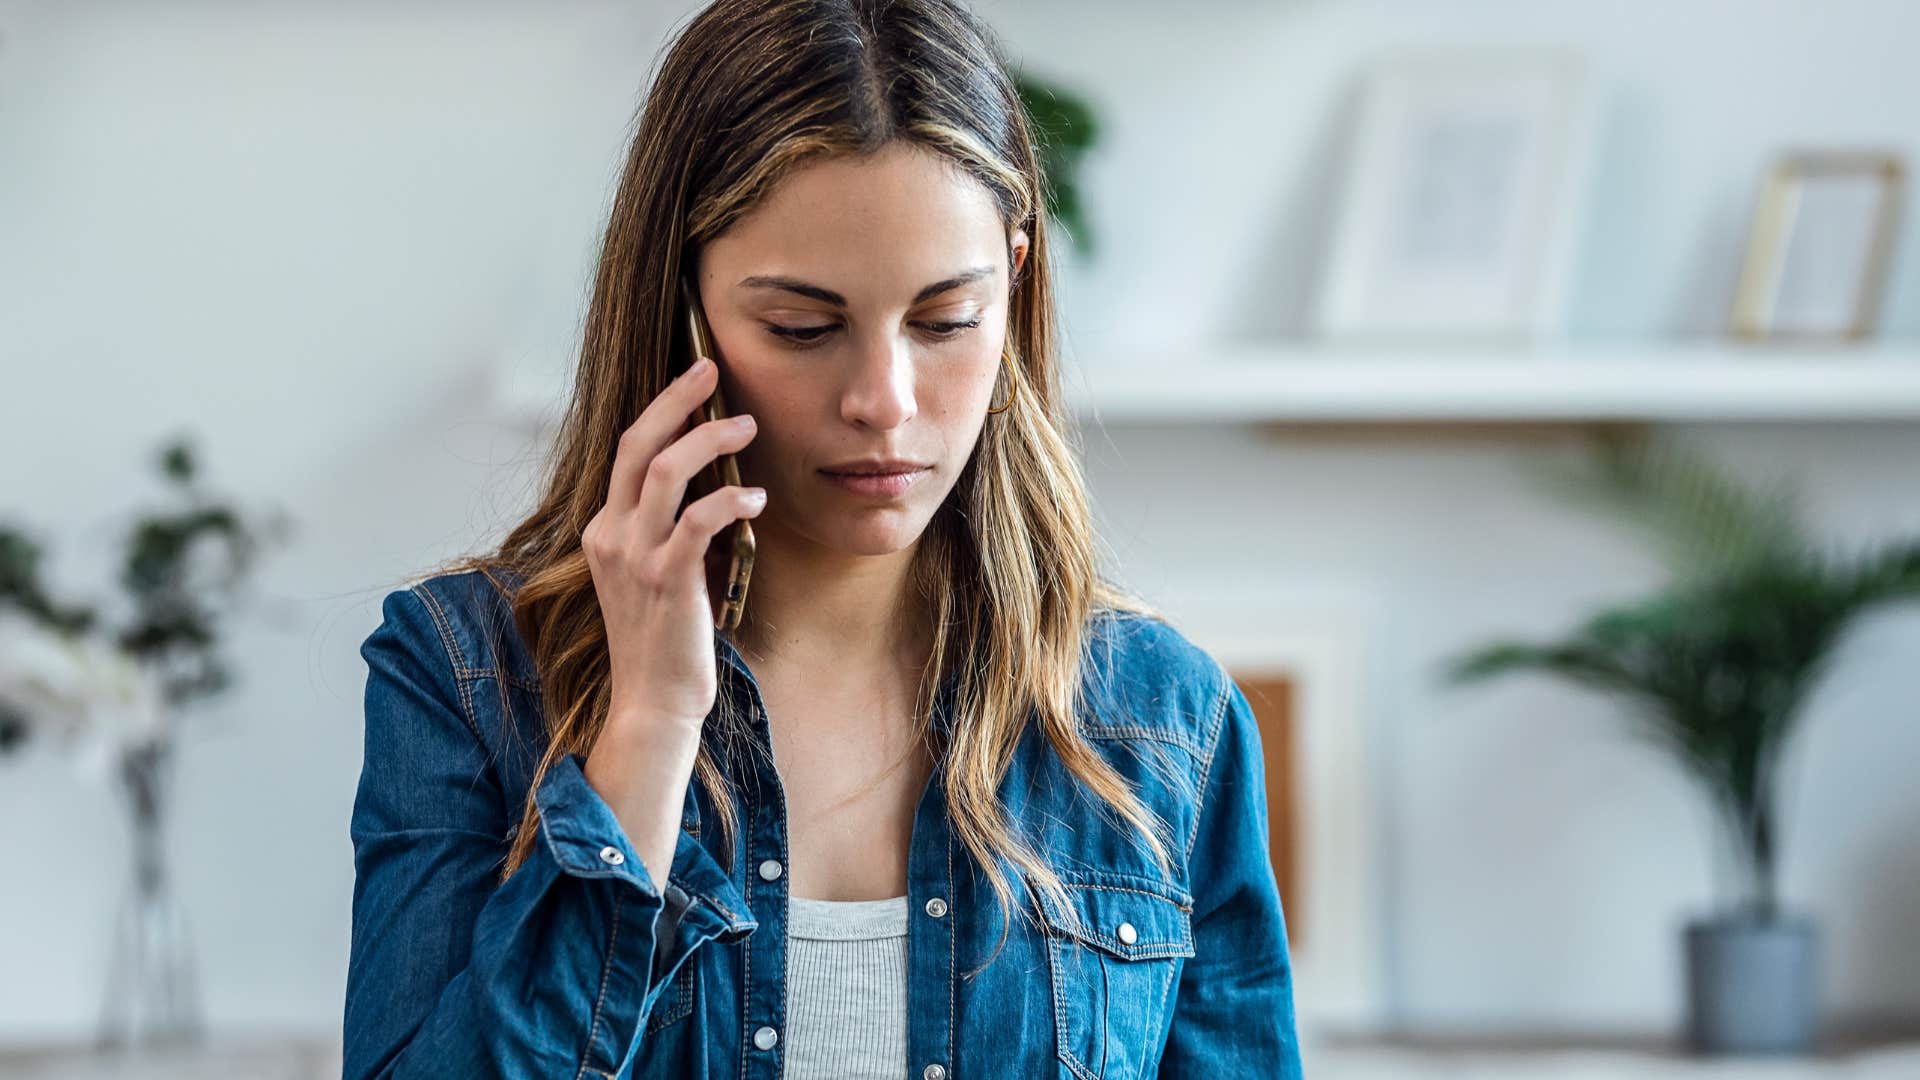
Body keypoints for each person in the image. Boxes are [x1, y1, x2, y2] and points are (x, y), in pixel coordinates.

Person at [343, 1, 1303, 1076]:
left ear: (1015, 283)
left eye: (945, 321)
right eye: (802, 328)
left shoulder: (1168, 720)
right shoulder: (466, 678)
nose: (884, 402)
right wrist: (647, 731)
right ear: (680, 307)